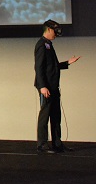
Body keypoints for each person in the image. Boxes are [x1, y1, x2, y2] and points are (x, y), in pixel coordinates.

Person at [34, 20, 81, 153]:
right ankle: (42, 144)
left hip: (53, 86)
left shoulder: (49, 45)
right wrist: (42, 86)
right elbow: (39, 67)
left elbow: (52, 66)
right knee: (45, 115)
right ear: (48, 29)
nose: (56, 34)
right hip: (46, 87)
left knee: (56, 115)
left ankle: (57, 144)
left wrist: (67, 63)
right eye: (55, 31)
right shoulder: (41, 45)